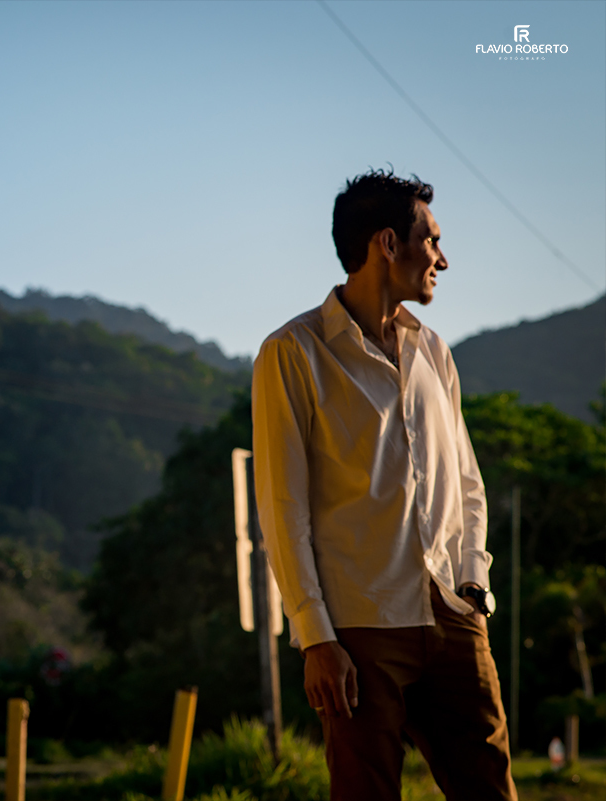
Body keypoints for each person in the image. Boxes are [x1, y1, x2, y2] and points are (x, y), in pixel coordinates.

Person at [251, 170, 515, 800]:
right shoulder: (293, 352)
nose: (442, 260)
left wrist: (473, 585)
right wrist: (316, 638)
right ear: (388, 244)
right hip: (359, 629)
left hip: (453, 614)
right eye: (433, 241)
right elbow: (283, 508)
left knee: (491, 789)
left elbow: (467, 483)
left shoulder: (435, 353)